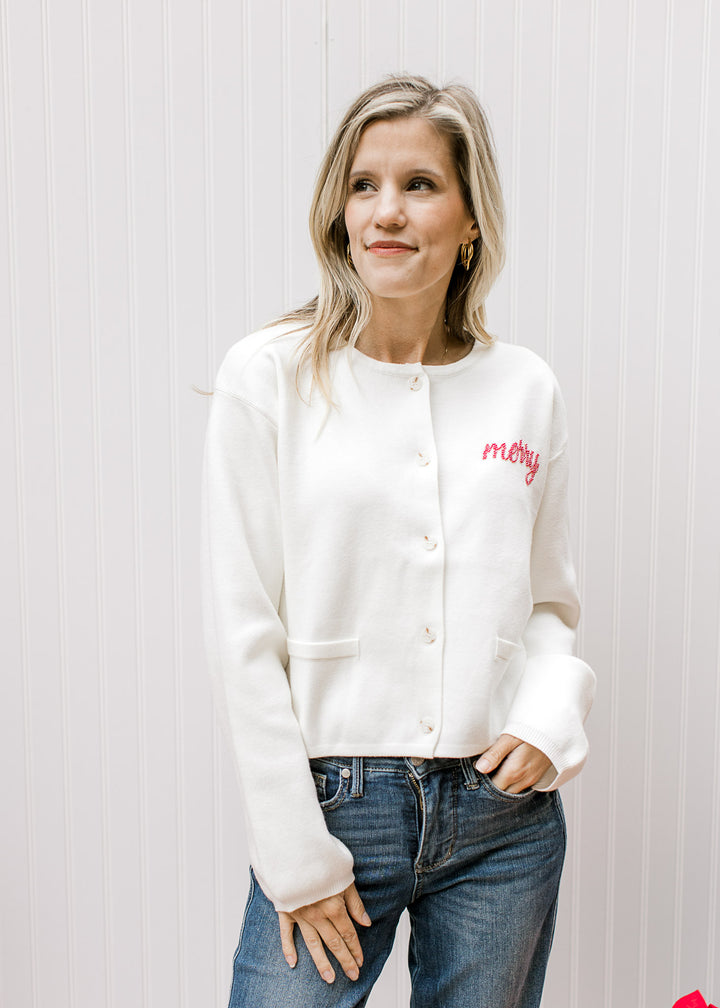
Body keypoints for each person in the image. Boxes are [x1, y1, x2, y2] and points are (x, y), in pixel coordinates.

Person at [202, 73, 596, 1008]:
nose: (386, 211)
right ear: (339, 213)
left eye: (420, 184)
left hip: (504, 820)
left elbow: (549, 599)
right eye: (363, 185)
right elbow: (243, 630)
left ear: (471, 220)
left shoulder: (525, 388)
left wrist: (550, 717)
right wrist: (291, 848)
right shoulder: (270, 376)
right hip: (337, 808)